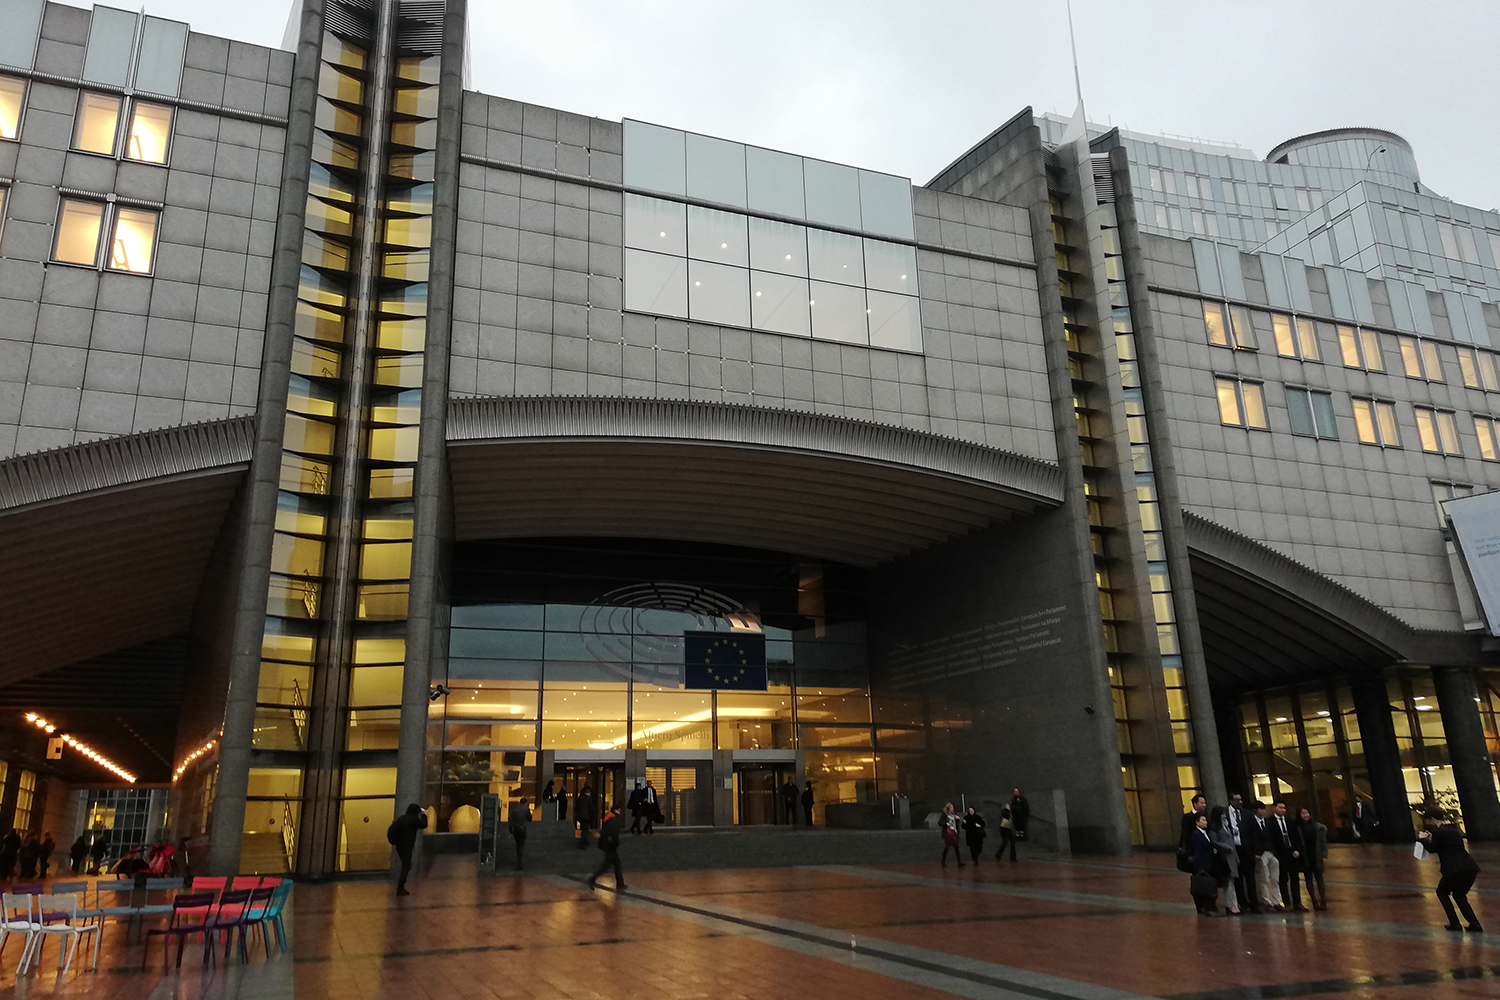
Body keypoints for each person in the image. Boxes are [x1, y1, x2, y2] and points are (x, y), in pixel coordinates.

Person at [1417, 809, 1483, 932]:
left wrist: (1423, 839)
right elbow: (1446, 844)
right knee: (1459, 895)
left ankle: (1455, 923)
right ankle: (1474, 924)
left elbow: (1432, 848)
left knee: (1442, 892)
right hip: (1469, 867)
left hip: (1453, 869)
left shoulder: (1438, 831)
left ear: (1431, 819)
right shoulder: (1452, 830)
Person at [1270, 802, 1306, 912]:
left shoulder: (1290, 821)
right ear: (1274, 808)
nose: (1283, 810)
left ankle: (1297, 902)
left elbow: (1296, 837)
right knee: (1283, 879)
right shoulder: (1270, 822)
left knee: (1295, 878)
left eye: (1284, 808)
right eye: (1280, 807)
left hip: (1292, 853)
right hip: (1280, 854)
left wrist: (1297, 850)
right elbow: (1271, 839)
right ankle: (1287, 903)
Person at [1225, 793, 1258, 913]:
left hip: (1247, 850)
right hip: (1234, 850)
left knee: (1250, 878)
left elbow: (1254, 832)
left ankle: (1254, 903)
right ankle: (1242, 903)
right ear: (1230, 800)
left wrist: (1254, 850)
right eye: (1237, 800)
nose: (1240, 802)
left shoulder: (1247, 814)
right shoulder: (1225, 813)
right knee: (1237, 878)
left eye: (1241, 799)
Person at [386, 802, 428, 896]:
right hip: (407, 846)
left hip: (399, 845)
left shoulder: (402, 818)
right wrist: (424, 814)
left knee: (406, 865)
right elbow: (424, 825)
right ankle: (401, 887)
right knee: (406, 866)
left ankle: (400, 886)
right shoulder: (414, 820)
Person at [1208, 806, 1240, 915]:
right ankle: (1231, 906)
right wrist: (1225, 846)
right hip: (1224, 858)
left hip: (1231, 856)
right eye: (1222, 814)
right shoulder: (1215, 827)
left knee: (1232, 883)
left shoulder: (1226, 825)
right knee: (1228, 882)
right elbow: (1214, 841)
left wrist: (1236, 858)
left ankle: (1233, 904)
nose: (1224, 816)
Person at [588, 802, 626, 891]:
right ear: (616, 810)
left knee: (615, 864)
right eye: (619, 810)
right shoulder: (613, 820)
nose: (620, 813)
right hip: (610, 845)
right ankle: (592, 879)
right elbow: (614, 834)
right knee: (608, 865)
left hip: (607, 844)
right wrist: (616, 842)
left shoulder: (608, 818)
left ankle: (620, 884)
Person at [1295, 807, 1327, 910]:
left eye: (1307, 813)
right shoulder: (1297, 828)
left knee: (1319, 878)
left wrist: (1324, 855)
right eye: (1303, 814)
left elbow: (1323, 842)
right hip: (1305, 856)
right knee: (1308, 879)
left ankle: (1323, 900)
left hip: (1316, 855)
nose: (1305, 816)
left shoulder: (1318, 827)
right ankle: (1314, 901)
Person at [1251, 801, 1281, 911]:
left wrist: (1274, 850)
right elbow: (1252, 839)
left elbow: (1274, 837)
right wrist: (1256, 852)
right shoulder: (1251, 823)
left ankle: (1276, 901)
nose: (1263, 811)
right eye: (1261, 809)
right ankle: (1266, 902)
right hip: (1261, 853)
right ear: (1256, 810)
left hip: (1271, 851)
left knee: (1275, 877)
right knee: (1264, 878)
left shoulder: (1268, 822)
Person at [1188, 813, 1219, 916]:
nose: (1205, 822)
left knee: (1210, 885)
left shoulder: (1206, 833)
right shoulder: (1196, 834)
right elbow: (1198, 851)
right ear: (1197, 822)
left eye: (1206, 820)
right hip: (1203, 864)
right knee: (1204, 886)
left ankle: (1210, 907)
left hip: (1210, 863)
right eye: (1203, 820)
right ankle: (1205, 908)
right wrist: (1200, 866)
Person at [508, 797, 532, 870]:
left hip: (515, 829)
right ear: (525, 803)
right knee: (521, 845)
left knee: (518, 844)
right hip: (522, 828)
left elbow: (510, 820)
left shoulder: (515, 810)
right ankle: (519, 862)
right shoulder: (526, 809)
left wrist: (510, 830)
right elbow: (530, 819)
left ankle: (518, 859)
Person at [939, 802, 963, 867]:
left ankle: (959, 862)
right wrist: (946, 824)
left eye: (953, 808)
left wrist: (957, 820)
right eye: (951, 807)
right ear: (948, 808)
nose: (953, 809)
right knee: (947, 846)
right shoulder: (944, 815)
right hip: (948, 832)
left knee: (956, 847)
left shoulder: (954, 815)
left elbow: (955, 823)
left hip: (954, 832)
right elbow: (940, 823)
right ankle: (943, 861)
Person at [576, 784, 595, 850]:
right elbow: (591, 808)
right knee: (585, 829)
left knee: (584, 828)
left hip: (580, 816)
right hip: (586, 816)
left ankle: (585, 841)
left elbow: (576, 807)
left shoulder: (580, 798)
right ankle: (582, 842)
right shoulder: (589, 799)